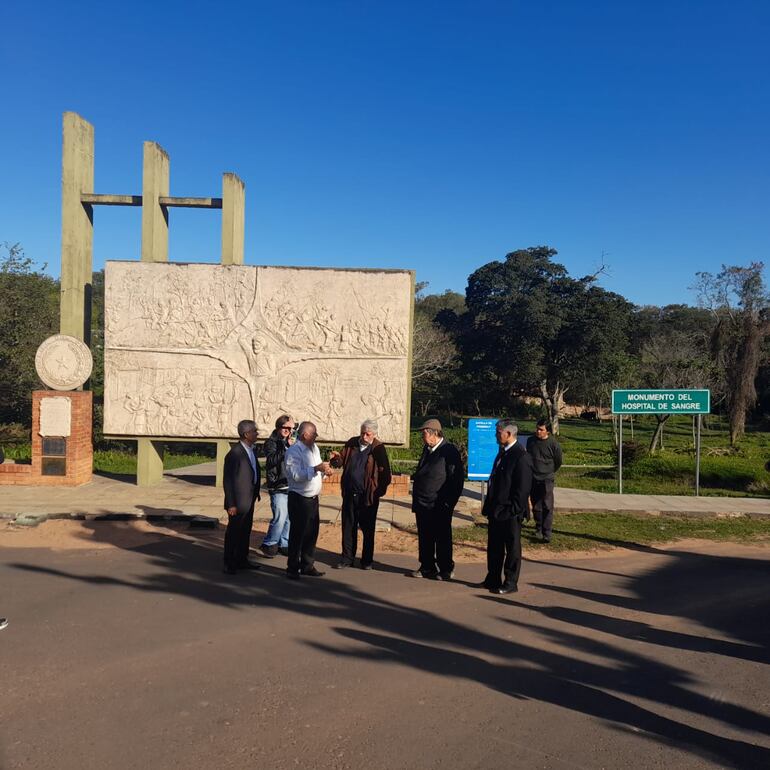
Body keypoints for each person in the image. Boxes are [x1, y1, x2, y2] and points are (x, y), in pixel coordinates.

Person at [478, 419, 533, 594]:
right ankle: (492, 578)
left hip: (510, 511)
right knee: (494, 546)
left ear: (508, 434)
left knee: (512, 548)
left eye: (498, 432)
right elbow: (495, 481)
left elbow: (523, 488)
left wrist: (513, 509)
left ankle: (510, 581)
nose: (496, 435)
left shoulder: (521, 455)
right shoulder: (502, 453)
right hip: (496, 509)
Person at [329, 419, 392, 570]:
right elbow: (340, 461)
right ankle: (347, 558)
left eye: (368, 434)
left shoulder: (378, 448)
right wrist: (336, 459)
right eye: (362, 433)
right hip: (350, 493)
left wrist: (377, 492)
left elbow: (386, 474)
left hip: (368, 496)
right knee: (348, 526)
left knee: (368, 529)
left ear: (374, 434)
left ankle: (366, 560)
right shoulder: (352, 443)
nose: (364, 437)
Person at [409, 419, 465, 580]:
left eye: (424, 433)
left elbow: (456, 480)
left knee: (442, 538)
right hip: (423, 503)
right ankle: (427, 566)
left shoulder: (449, 451)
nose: (422, 436)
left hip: (439, 504)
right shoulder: (427, 449)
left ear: (434, 433)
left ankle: (446, 568)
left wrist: (449, 503)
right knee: (425, 537)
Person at [284, 421, 332, 579]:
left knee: (312, 533)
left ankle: (307, 565)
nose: (317, 437)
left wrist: (325, 471)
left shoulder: (314, 448)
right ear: (305, 435)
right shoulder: (293, 452)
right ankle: (292, 567)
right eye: (314, 434)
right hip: (299, 498)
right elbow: (296, 476)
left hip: (313, 498)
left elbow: (317, 470)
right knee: (298, 534)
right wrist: (315, 469)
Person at [222, 419, 262, 575]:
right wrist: (231, 503)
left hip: (249, 498)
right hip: (237, 502)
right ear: (246, 434)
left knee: (245, 531)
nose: (257, 433)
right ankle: (229, 562)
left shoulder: (251, 450)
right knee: (234, 532)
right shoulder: (235, 454)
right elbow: (228, 480)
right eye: (254, 431)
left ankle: (242, 560)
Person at [260, 414, 295, 557]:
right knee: (279, 517)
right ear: (278, 427)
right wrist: (286, 447)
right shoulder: (271, 442)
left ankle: (284, 542)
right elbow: (271, 461)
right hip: (277, 484)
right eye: (286, 428)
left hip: (291, 483)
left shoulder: (292, 441)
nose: (289, 431)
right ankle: (269, 542)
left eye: (292, 428)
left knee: (289, 518)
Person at [527, 419, 563, 543]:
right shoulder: (531, 441)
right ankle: (538, 528)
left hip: (547, 478)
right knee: (536, 505)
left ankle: (547, 532)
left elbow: (558, 462)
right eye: (537, 429)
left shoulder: (554, 444)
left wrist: (549, 471)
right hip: (533, 478)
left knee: (547, 505)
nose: (538, 431)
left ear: (547, 431)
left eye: (541, 429)